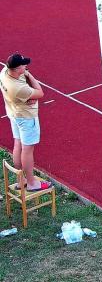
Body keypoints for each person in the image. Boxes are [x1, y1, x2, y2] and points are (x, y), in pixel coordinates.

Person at [1, 53, 51, 191]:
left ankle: (20, 180)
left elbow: (31, 92)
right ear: (17, 69)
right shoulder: (18, 88)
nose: (26, 66)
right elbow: (40, 93)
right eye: (24, 65)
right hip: (26, 118)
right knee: (27, 150)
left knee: (18, 144)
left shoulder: (4, 71)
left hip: (13, 113)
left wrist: (29, 95)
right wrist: (29, 75)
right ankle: (32, 183)